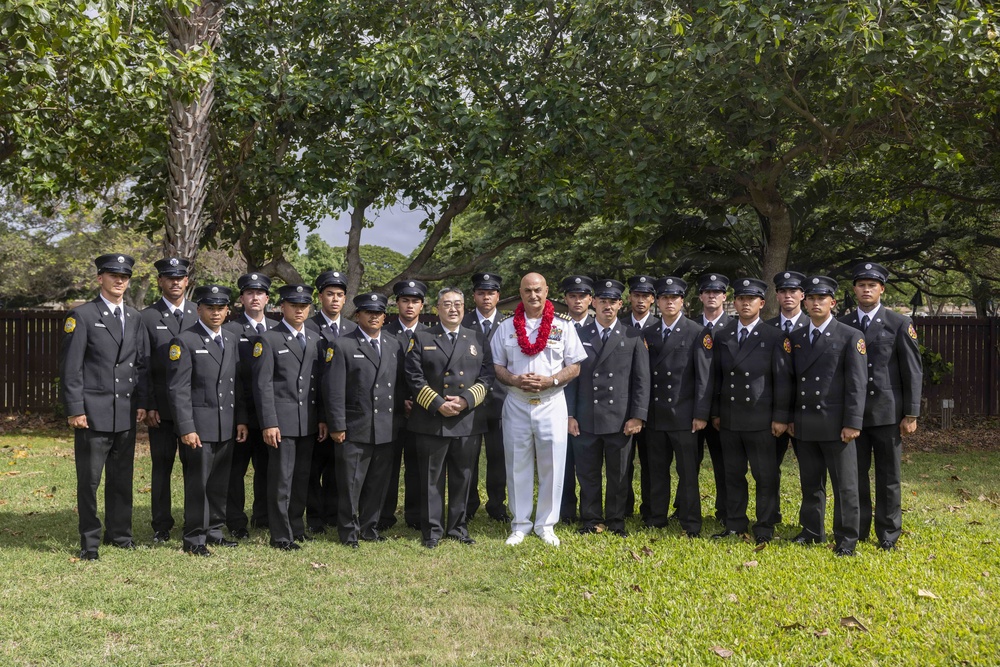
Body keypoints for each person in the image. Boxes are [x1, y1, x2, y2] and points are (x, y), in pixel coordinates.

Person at [59, 253, 148, 560]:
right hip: (92, 414)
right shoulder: (82, 316)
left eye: (124, 276)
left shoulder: (135, 317)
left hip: (124, 413)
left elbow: (139, 364)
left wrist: (142, 403)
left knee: (122, 479)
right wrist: (75, 409)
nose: (119, 280)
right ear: (100, 278)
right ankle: (90, 542)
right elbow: (71, 369)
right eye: (113, 275)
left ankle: (121, 535)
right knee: (90, 482)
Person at [491, 273, 585, 547]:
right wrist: (515, 379)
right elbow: (497, 366)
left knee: (552, 465)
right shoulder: (506, 326)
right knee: (517, 464)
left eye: (538, 290)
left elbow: (575, 365)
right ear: (520, 293)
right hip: (517, 402)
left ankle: (546, 525)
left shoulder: (563, 326)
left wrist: (552, 380)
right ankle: (519, 525)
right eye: (527, 291)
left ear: (547, 291)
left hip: (552, 402)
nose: (533, 296)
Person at [839, 261, 922, 551]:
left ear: (881, 289)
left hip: (887, 413)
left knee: (888, 477)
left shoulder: (898, 323)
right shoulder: (844, 324)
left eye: (871, 285)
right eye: (861, 285)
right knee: (856, 476)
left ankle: (888, 534)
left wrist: (911, 413)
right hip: (853, 415)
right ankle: (858, 529)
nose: (866, 289)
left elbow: (913, 370)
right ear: (854, 289)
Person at [406, 287, 494, 548]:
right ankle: (432, 530)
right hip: (432, 419)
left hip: (466, 420)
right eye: (447, 304)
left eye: (457, 304)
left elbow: (487, 376)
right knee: (431, 478)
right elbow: (413, 376)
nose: (453, 309)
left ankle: (458, 527)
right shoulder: (422, 337)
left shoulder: (477, 338)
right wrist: (437, 403)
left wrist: (466, 400)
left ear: (464, 308)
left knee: (463, 476)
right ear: (437, 309)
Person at [166, 285, 248, 556]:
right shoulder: (185, 341)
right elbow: (178, 390)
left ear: (227, 310)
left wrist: (240, 420)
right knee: (198, 484)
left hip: (225, 425)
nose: (216, 313)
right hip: (199, 428)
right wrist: (186, 428)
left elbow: (237, 384)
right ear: (198, 309)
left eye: (220, 308)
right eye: (210, 308)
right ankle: (194, 537)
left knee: (219, 483)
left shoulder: (231, 339)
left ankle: (214, 530)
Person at [710, 278, 793, 544]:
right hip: (731, 418)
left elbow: (782, 379)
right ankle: (735, 523)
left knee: (765, 476)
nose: (746, 303)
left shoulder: (774, 336)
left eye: (751, 299)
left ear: (761, 303)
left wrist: (781, 417)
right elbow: (716, 379)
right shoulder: (723, 335)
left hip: (761, 419)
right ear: (734, 303)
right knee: (732, 474)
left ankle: (765, 525)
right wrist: (715, 413)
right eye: (741, 299)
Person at [565, 279, 649, 537]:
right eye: (603, 301)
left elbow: (641, 380)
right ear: (594, 303)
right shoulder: (578, 335)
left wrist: (637, 416)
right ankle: (590, 519)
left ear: (620, 304)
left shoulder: (633, 336)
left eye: (613, 301)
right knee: (587, 473)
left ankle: (616, 521)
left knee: (619, 475)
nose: (607, 306)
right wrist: (568, 414)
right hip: (585, 417)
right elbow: (570, 380)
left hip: (620, 419)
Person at [789, 276, 866, 557]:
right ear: (804, 302)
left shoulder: (849, 336)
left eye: (821, 298)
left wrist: (852, 422)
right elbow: (791, 382)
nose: (815, 303)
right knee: (811, 483)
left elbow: (857, 384)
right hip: (806, 423)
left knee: (845, 486)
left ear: (832, 302)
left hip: (837, 425)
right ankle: (811, 531)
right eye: (810, 298)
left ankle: (846, 539)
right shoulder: (796, 338)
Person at [324, 293, 405, 548]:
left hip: (385, 427)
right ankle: (348, 531)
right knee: (350, 484)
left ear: (384, 316)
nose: (374, 317)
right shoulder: (343, 345)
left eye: (378, 313)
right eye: (368, 312)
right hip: (355, 427)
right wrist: (337, 425)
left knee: (377, 482)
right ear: (358, 315)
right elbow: (334, 391)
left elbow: (399, 387)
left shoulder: (393, 345)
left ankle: (370, 527)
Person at [251, 284, 328, 550]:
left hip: (307, 421)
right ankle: (281, 535)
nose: (299, 310)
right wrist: (269, 422)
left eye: (304, 306)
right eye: (294, 305)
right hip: (281, 423)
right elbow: (263, 385)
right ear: (282, 307)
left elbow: (318, 384)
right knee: (281, 480)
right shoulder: (269, 339)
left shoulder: (316, 338)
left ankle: (297, 526)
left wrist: (320, 418)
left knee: (301, 479)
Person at [642, 277, 713, 536]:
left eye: (674, 298)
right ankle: (656, 517)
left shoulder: (696, 332)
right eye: (664, 298)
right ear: (657, 302)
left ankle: (690, 521)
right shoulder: (648, 333)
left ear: (682, 301)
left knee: (688, 473)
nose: (669, 302)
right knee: (657, 470)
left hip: (684, 416)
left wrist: (701, 414)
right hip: (656, 414)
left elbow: (704, 377)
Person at [139, 257, 197, 544]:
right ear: (160, 281)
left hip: (192, 409)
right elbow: (143, 364)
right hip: (160, 409)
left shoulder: (201, 313)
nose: (175, 282)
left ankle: (194, 521)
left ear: (187, 281)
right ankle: (161, 525)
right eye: (169, 278)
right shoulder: (147, 317)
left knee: (194, 467)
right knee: (162, 467)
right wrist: (148, 403)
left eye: (180, 277)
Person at [304, 270, 357, 536]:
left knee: (339, 469)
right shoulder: (308, 326)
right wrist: (321, 415)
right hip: (313, 409)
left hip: (342, 412)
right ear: (320, 297)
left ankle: (334, 514)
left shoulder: (352, 329)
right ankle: (314, 517)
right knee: (314, 467)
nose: (335, 300)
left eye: (339, 295)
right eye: (329, 294)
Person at [223, 272, 276, 538]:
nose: (255, 298)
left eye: (260, 293)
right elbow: (230, 377)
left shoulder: (278, 329)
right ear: (241, 298)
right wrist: (240, 417)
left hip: (271, 416)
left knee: (267, 469)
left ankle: (263, 517)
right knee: (236, 471)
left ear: (267, 298)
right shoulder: (230, 330)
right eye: (249, 293)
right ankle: (235, 520)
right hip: (241, 415)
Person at [379, 279, 429, 531]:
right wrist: (401, 402)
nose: (410, 306)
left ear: (422, 305)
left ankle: (415, 515)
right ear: (396, 303)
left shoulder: (431, 334)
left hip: (422, 412)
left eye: (415, 301)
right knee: (387, 466)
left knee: (417, 466)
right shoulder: (384, 333)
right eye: (405, 300)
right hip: (391, 411)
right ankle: (384, 515)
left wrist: (419, 403)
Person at [462, 272, 510, 522]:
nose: (486, 297)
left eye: (490, 293)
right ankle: (468, 504)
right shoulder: (463, 321)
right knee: (468, 456)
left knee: (498, 457)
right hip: (470, 402)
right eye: (481, 292)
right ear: (474, 295)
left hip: (501, 402)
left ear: (498, 296)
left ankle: (496, 504)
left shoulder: (510, 323)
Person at [764, 270, 809, 523]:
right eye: (783, 291)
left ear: (802, 295)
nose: (788, 295)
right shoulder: (767, 328)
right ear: (777, 295)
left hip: (805, 414)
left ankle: (809, 523)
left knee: (810, 473)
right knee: (769, 470)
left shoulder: (812, 324)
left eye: (793, 291)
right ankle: (771, 516)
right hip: (774, 415)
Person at [558, 274, 595, 524]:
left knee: (587, 465)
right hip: (559, 404)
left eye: (582, 296)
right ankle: (565, 511)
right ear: (565, 299)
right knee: (563, 462)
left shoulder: (599, 327)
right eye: (573, 296)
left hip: (591, 408)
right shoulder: (556, 327)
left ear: (590, 299)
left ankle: (590, 511)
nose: (578, 300)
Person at [696, 273, 732, 525]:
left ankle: (725, 509)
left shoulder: (734, 327)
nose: (712, 296)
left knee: (723, 463)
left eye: (717, 292)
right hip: (693, 407)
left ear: (724, 297)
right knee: (689, 463)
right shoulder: (689, 325)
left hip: (723, 408)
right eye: (707, 292)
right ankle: (683, 506)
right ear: (700, 296)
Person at [621, 274, 656, 519]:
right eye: (636, 295)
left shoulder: (660, 324)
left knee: (651, 463)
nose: (641, 300)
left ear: (652, 299)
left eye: (645, 296)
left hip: (654, 407)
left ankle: (650, 509)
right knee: (624, 463)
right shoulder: (620, 325)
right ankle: (624, 508)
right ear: (630, 297)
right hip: (622, 407)